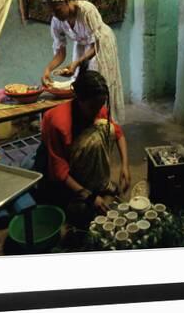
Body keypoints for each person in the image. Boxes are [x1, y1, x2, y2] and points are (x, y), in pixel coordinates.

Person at [35, 64, 131, 228]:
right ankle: (84, 191)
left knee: (106, 127)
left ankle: (98, 184)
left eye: (101, 104)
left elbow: (118, 133)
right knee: (80, 214)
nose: (98, 110)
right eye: (93, 106)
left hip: (77, 160)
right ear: (79, 98)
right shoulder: (58, 122)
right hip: (53, 171)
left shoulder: (95, 106)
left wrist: (125, 166)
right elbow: (59, 171)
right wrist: (89, 196)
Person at [41, 0, 125, 123]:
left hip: (100, 43)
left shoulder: (86, 10)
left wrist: (77, 63)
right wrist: (47, 71)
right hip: (82, 43)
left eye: (57, 9)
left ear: (67, 1)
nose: (54, 14)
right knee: (81, 82)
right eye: (51, 10)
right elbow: (61, 52)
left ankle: (104, 121)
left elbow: (96, 45)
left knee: (97, 81)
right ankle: (85, 119)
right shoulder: (57, 20)